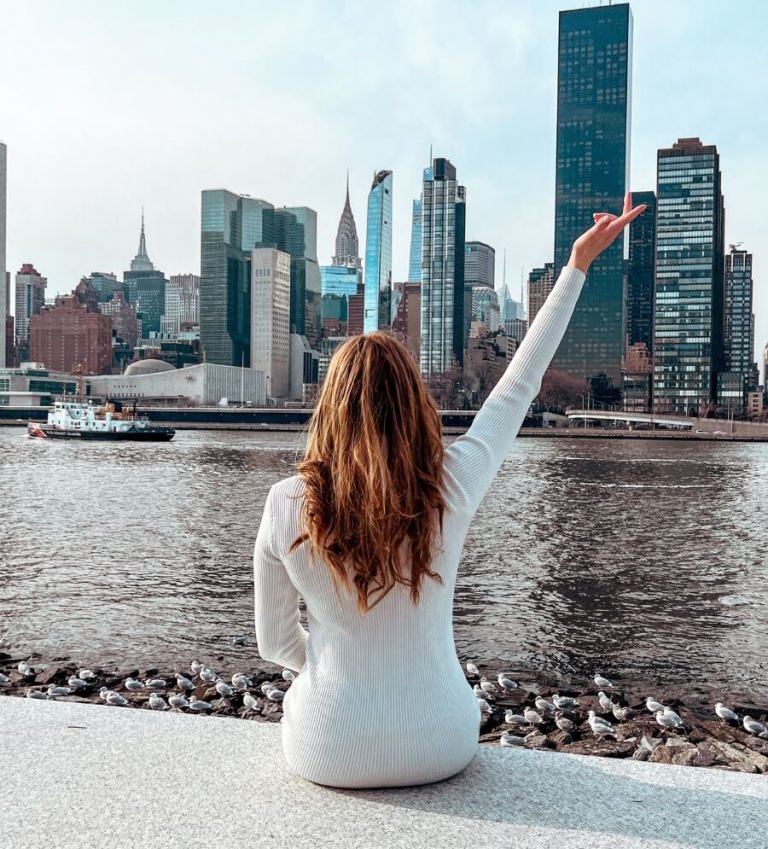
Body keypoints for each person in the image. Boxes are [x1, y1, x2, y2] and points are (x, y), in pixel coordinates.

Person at [254, 195, 646, 789]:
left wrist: (338, 664)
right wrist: (575, 267)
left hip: (326, 748)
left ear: (330, 409)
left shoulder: (286, 502)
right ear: (415, 401)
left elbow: (275, 643)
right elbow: (518, 387)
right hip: (441, 741)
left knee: (302, 694)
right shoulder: (452, 482)